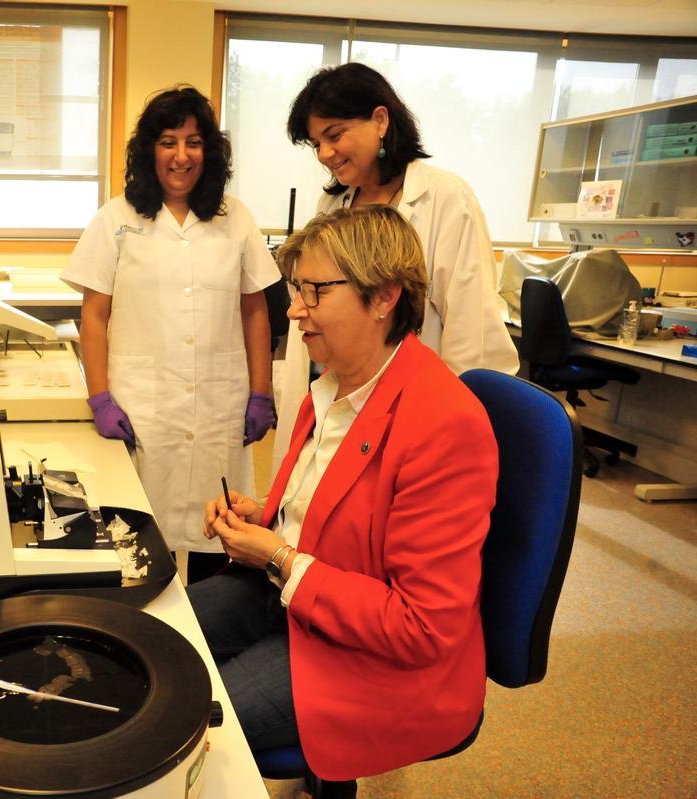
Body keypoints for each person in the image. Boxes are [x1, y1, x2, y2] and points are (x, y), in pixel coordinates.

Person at [189, 205, 498, 781]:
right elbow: (333, 509)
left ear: (383, 297)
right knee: (160, 642)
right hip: (302, 597)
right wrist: (263, 519)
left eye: (314, 292)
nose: (294, 309)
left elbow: (421, 627)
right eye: (295, 289)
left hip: (374, 660)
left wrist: (279, 555)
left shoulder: (443, 423)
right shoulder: (330, 387)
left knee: (185, 724)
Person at [61, 86, 279, 577]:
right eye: (168, 142)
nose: (182, 156)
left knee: (217, 529)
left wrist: (261, 392)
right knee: (135, 536)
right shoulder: (116, 218)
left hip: (218, 401)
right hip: (143, 403)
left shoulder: (235, 217)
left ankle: (207, 630)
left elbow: (254, 310)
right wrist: (100, 398)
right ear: (148, 150)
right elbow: (93, 315)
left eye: (194, 142)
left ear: (211, 152)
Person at [273, 63, 517, 470]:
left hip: (415, 405)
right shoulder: (333, 205)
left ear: (380, 120)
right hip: (340, 390)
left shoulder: (444, 198)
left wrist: (447, 430)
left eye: (334, 135)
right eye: (316, 143)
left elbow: (470, 330)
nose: (325, 154)